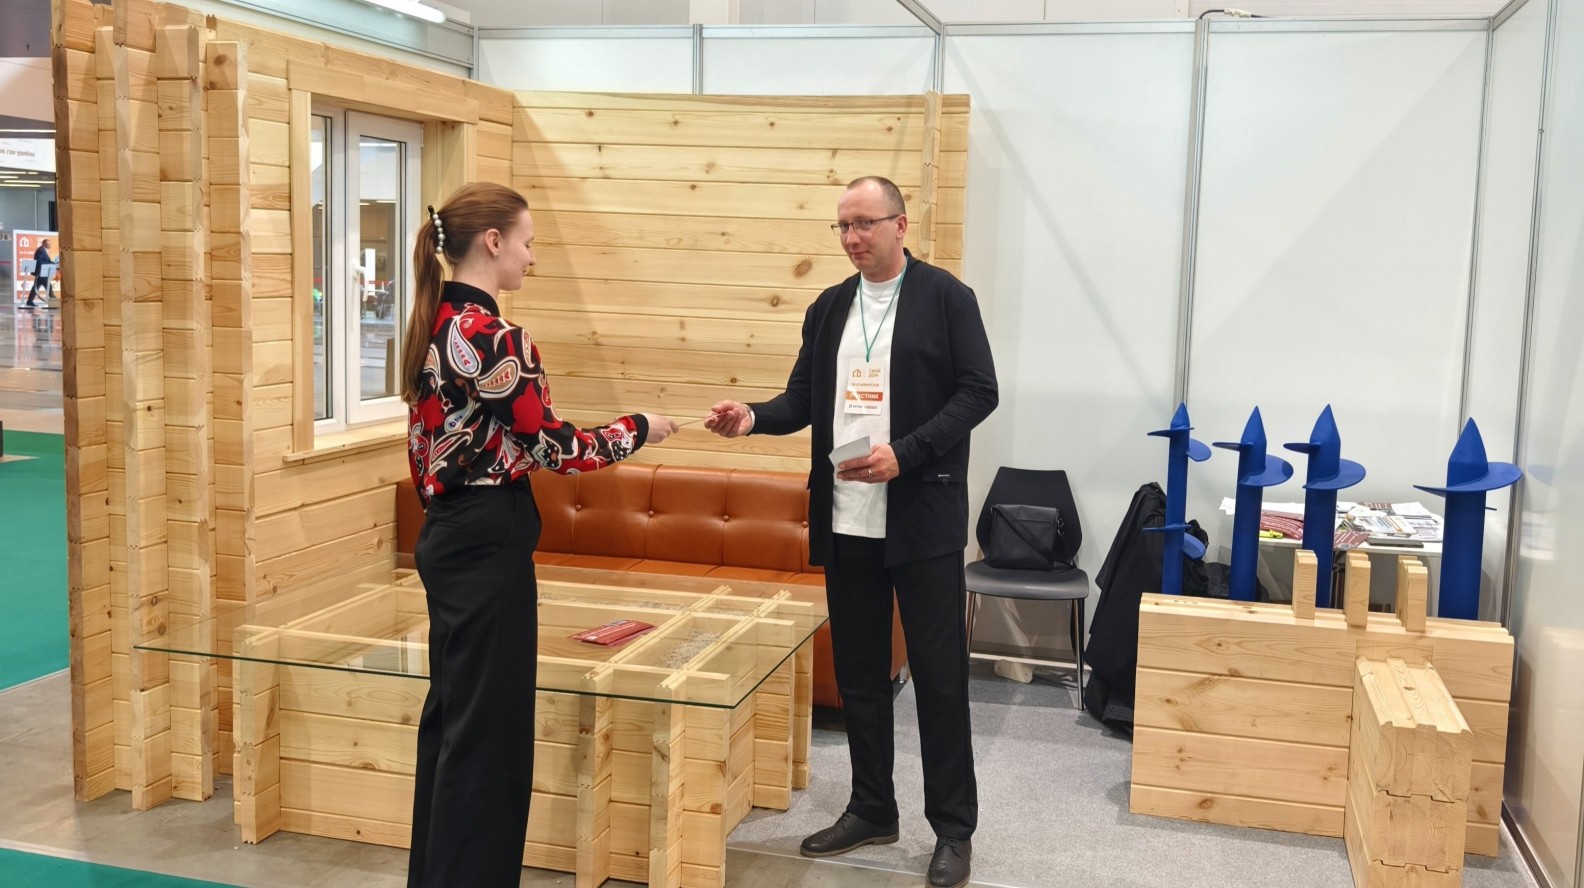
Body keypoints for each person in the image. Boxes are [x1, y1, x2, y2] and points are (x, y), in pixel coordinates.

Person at [705, 176, 997, 888]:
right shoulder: (830, 306)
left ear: (901, 224)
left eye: (864, 223)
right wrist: (753, 416)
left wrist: (908, 452)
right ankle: (871, 808)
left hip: (921, 519)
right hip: (846, 517)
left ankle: (953, 829)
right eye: (842, 226)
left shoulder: (947, 299)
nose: (852, 237)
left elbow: (978, 392)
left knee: (938, 681)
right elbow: (803, 399)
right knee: (860, 674)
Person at [401, 181, 679, 888]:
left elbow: (462, 444)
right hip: (487, 546)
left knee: (454, 725)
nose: (531, 257)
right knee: (489, 742)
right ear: (493, 242)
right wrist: (639, 428)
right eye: (526, 243)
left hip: (447, 538)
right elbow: (559, 448)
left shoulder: (433, 322)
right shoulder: (493, 336)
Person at [25, 239, 51, 307]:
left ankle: (29, 301)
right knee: (49, 287)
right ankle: (54, 301)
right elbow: (38, 261)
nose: (49, 245)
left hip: (42, 273)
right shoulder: (40, 250)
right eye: (48, 243)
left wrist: (53, 264)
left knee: (36, 286)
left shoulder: (43, 250)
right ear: (44, 244)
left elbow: (47, 261)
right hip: (41, 272)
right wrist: (49, 264)